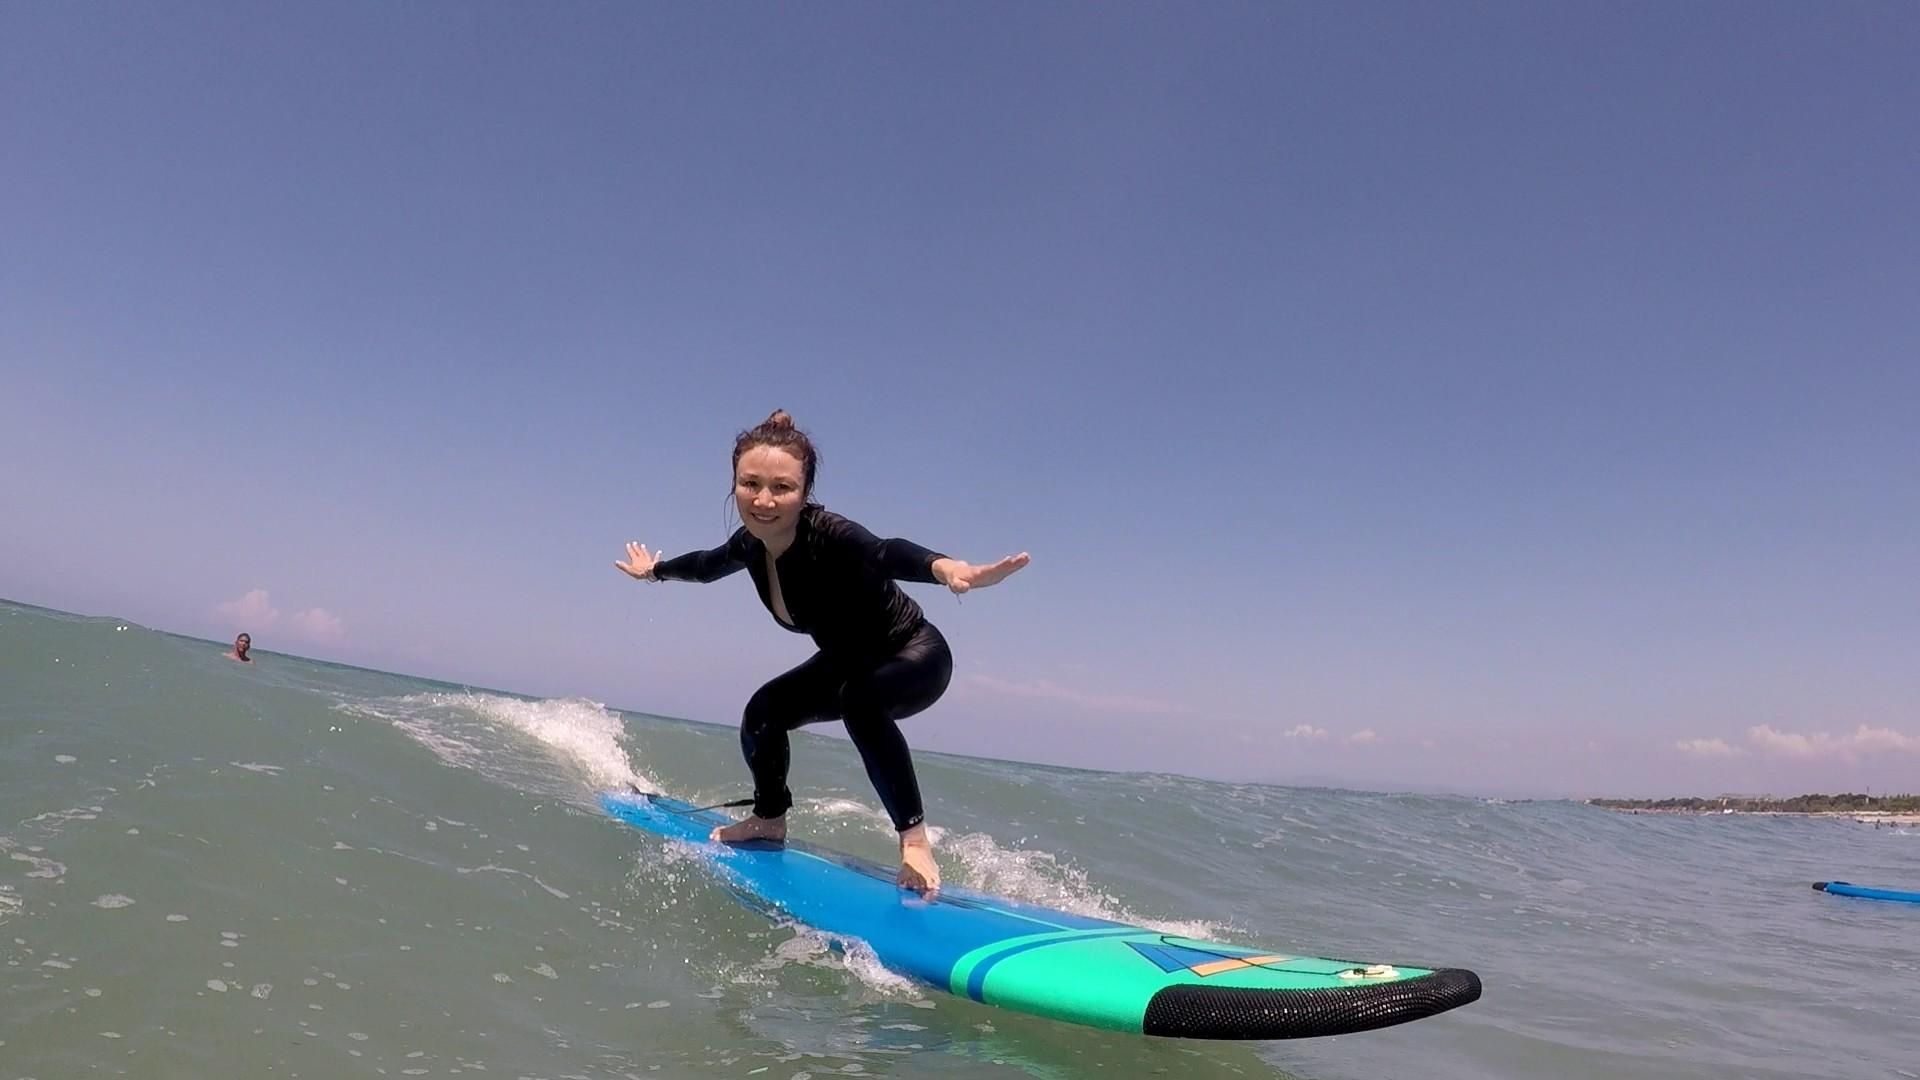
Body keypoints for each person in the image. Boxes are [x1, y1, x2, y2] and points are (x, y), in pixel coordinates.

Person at [614, 410, 1029, 894]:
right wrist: (654, 572)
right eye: (750, 484)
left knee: (860, 700)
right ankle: (769, 819)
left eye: (782, 487)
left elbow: (884, 551)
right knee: (764, 712)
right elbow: (706, 566)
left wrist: (945, 568)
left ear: (805, 491)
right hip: (847, 662)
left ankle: (914, 841)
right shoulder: (750, 545)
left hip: (913, 653)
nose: (763, 500)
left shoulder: (830, 533)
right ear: (734, 484)